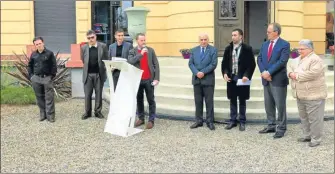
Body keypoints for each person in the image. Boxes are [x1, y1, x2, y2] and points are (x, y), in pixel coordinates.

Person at [287, 39, 327, 147]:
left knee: (315, 119)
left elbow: (313, 74)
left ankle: (316, 139)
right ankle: (307, 135)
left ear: (310, 49)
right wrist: (290, 73)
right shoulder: (297, 58)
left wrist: (296, 75)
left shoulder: (316, 59)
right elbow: (289, 67)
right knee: (304, 117)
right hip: (300, 94)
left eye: (302, 49)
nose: (299, 50)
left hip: (313, 95)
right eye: (298, 48)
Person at [257, 23, 290, 138]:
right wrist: (263, 73)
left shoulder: (285, 44)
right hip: (266, 79)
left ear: (276, 32)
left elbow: (282, 61)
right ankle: (271, 125)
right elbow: (259, 58)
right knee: (268, 104)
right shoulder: (265, 44)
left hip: (278, 79)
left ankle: (281, 128)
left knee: (280, 105)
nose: (267, 33)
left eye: (269, 32)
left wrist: (269, 72)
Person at [221, 29, 256, 131]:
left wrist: (247, 75)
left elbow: (251, 64)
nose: (233, 37)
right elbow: (224, 64)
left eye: (235, 35)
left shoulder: (247, 49)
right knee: (232, 100)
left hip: (242, 79)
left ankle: (242, 121)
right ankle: (232, 120)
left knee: (242, 100)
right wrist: (225, 73)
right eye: (232, 35)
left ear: (241, 36)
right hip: (231, 79)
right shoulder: (228, 48)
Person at [128, 33, 160, 129]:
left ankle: (151, 120)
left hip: (148, 79)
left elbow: (156, 64)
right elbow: (130, 61)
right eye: (141, 40)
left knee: (151, 100)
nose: (144, 42)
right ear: (137, 41)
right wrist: (140, 54)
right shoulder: (132, 51)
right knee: (139, 99)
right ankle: (141, 118)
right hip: (138, 79)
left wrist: (156, 78)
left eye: (144, 40)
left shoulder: (150, 50)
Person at [188, 33, 218, 131]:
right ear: (199, 40)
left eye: (205, 39)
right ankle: (198, 121)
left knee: (209, 102)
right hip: (197, 80)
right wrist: (197, 73)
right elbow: (190, 63)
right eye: (201, 40)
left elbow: (213, 64)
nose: (203, 41)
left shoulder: (213, 50)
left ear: (208, 40)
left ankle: (210, 121)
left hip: (208, 79)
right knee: (198, 101)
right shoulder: (194, 50)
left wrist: (203, 72)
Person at [80, 30, 109, 120]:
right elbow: (83, 60)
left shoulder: (103, 46)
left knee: (98, 94)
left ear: (95, 37)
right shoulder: (84, 48)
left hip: (99, 74)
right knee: (87, 94)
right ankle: (87, 112)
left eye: (92, 37)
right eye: (89, 38)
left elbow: (106, 59)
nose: (91, 40)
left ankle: (97, 112)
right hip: (88, 74)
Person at [28, 36, 57, 122]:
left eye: (39, 43)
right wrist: (31, 76)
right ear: (34, 45)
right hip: (36, 78)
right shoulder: (33, 54)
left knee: (49, 97)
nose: (38, 45)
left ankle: (50, 116)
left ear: (43, 43)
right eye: (36, 44)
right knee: (39, 97)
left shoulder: (49, 53)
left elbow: (54, 66)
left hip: (47, 78)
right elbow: (30, 66)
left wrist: (51, 76)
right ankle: (42, 114)